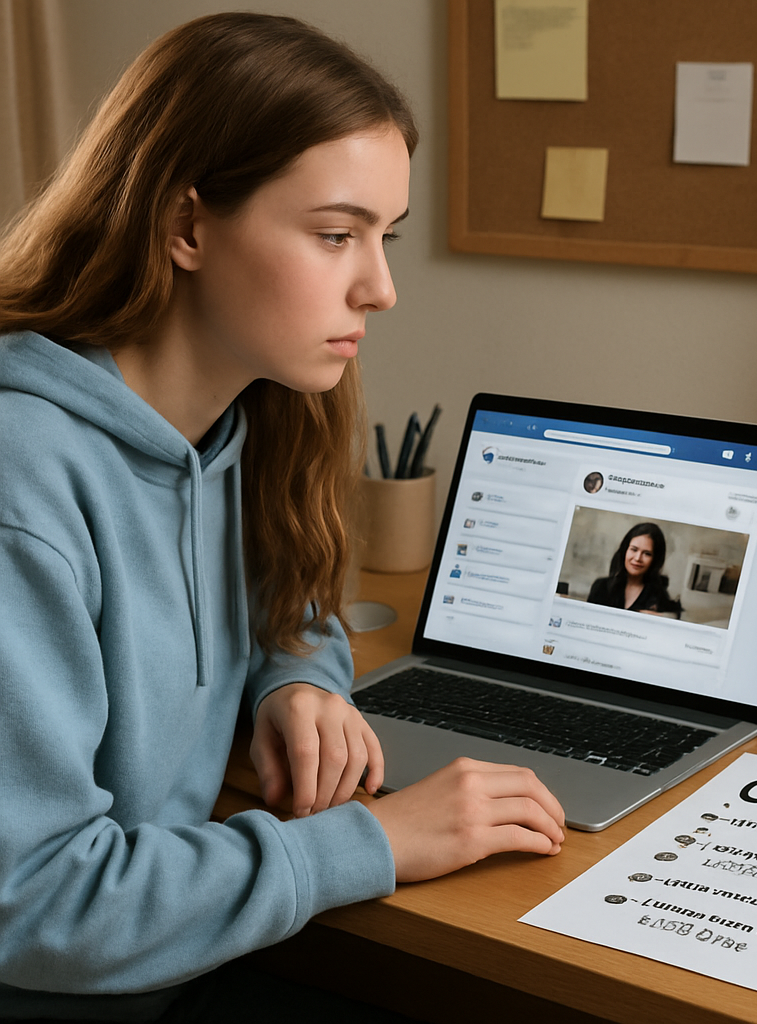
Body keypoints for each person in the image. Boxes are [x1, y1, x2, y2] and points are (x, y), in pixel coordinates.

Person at [0, 13, 564, 1022]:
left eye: (385, 237)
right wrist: (378, 843)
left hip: (179, 960)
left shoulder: (252, 411)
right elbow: (33, 901)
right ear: (185, 228)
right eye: (336, 235)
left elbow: (287, 597)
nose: (380, 288)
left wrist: (294, 679)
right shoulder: (23, 484)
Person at [586, 522, 682, 616]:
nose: (637, 558)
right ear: (625, 550)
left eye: (647, 553)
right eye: (634, 549)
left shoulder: (659, 598)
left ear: (655, 560)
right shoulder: (600, 587)